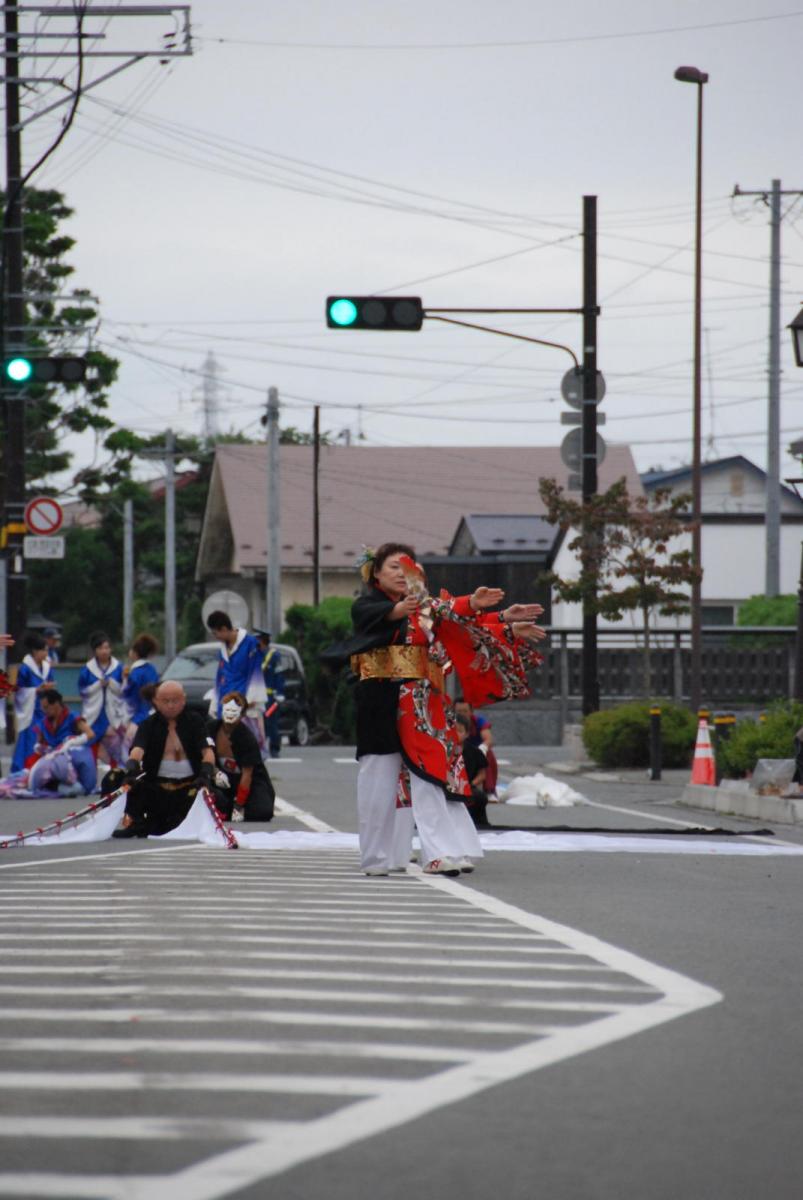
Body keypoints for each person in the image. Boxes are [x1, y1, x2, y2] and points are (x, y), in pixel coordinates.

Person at [345, 542, 545, 878]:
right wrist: (407, 607)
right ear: (375, 573)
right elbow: (389, 615)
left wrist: (499, 619)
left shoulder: (425, 611)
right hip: (380, 705)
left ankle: (438, 851)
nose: (402, 573)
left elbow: (457, 624)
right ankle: (380, 856)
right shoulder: (368, 606)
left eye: (408, 568)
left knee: (430, 776)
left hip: (422, 704)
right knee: (380, 782)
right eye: (393, 566)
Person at [113, 680, 215, 838]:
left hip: (189, 787)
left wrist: (205, 774)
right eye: (166, 701)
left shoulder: (195, 721)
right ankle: (135, 823)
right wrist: (132, 768)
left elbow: (207, 752)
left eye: (175, 701)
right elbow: (138, 750)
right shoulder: (148, 724)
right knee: (126, 782)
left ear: (183, 700)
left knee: (213, 797)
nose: (171, 706)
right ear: (157, 702)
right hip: (158, 787)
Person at [207, 690, 276, 822]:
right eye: (227, 710)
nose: (230, 715)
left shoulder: (247, 738)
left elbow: (247, 775)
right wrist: (215, 772)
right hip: (220, 780)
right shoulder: (211, 729)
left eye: (234, 712)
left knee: (263, 811)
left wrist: (239, 805)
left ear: (242, 714)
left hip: (249, 781)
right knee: (214, 803)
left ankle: (236, 806)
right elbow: (204, 756)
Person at [207, 611, 267, 748]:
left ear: (223, 629)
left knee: (248, 747)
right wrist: (216, 702)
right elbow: (220, 676)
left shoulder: (250, 644)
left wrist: (250, 701)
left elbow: (256, 672)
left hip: (244, 703)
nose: (216, 637)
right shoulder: (223, 649)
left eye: (215, 633)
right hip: (226, 704)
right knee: (226, 748)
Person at [28, 688, 97, 796]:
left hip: (72, 762)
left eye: (46, 707)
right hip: (53, 763)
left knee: (84, 788)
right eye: (42, 708)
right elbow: (39, 745)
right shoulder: (43, 723)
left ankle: (56, 786)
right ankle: (53, 785)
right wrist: (40, 748)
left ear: (56, 704)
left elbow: (90, 734)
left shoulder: (72, 717)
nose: (44, 711)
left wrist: (72, 742)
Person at [78, 632, 127, 764]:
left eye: (106, 648)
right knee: (90, 744)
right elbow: (82, 691)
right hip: (94, 713)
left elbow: (124, 690)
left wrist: (111, 683)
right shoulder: (87, 669)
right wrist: (97, 685)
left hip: (113, 713)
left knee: (116, 746)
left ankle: (117, 770)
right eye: (100, 648)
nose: (104, 651)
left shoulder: (118, 668)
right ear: (95, 650)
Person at [11, 633, 54, 773]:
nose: (46, 653)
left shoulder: (47, 667)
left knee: (45, 740)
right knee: (30, 740)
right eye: (43, 650)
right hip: (31, 711)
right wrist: (36, 690)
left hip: (45, 710)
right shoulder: (25, 668)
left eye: (47, 650)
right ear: (35, 651)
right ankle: (26, 769)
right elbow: (19, 691)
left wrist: (49, 688)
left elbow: (51, 682)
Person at [455, 697, 499, 800]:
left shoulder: (479, 722)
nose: (462, 714)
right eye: (459, 711)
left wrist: (483, 748)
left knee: (488, 754)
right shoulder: (449, 721)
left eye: (465, 711)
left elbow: (488, 739)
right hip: (454, 752)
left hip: (474, 756)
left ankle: (489, 790)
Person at [455, 713, 490, 829]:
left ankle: (480, 824)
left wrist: (471, 784)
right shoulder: (442, 750)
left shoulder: (475, 752)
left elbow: (482, 774)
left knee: (480, 797)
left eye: (459, 731)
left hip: (468, 786)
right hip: (448, 786)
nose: (456, 734)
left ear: (466, 734)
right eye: (453, 730)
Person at [122, 633, 160, 734]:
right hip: (152, 713)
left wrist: (124, 680)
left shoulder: (135, 672)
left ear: (135, 653)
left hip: (137, 717)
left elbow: (127, 694)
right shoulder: (152, 669)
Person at [256, 630, 285, 758]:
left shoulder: (274, 656)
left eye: (258, 640)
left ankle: (274, 748)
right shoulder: (256, 655)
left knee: (272, 723)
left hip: (270, 697)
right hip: (257, 697)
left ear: (262, 641)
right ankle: (260, 748)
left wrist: (280, 692)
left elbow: (279, 675)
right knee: (258, 723)